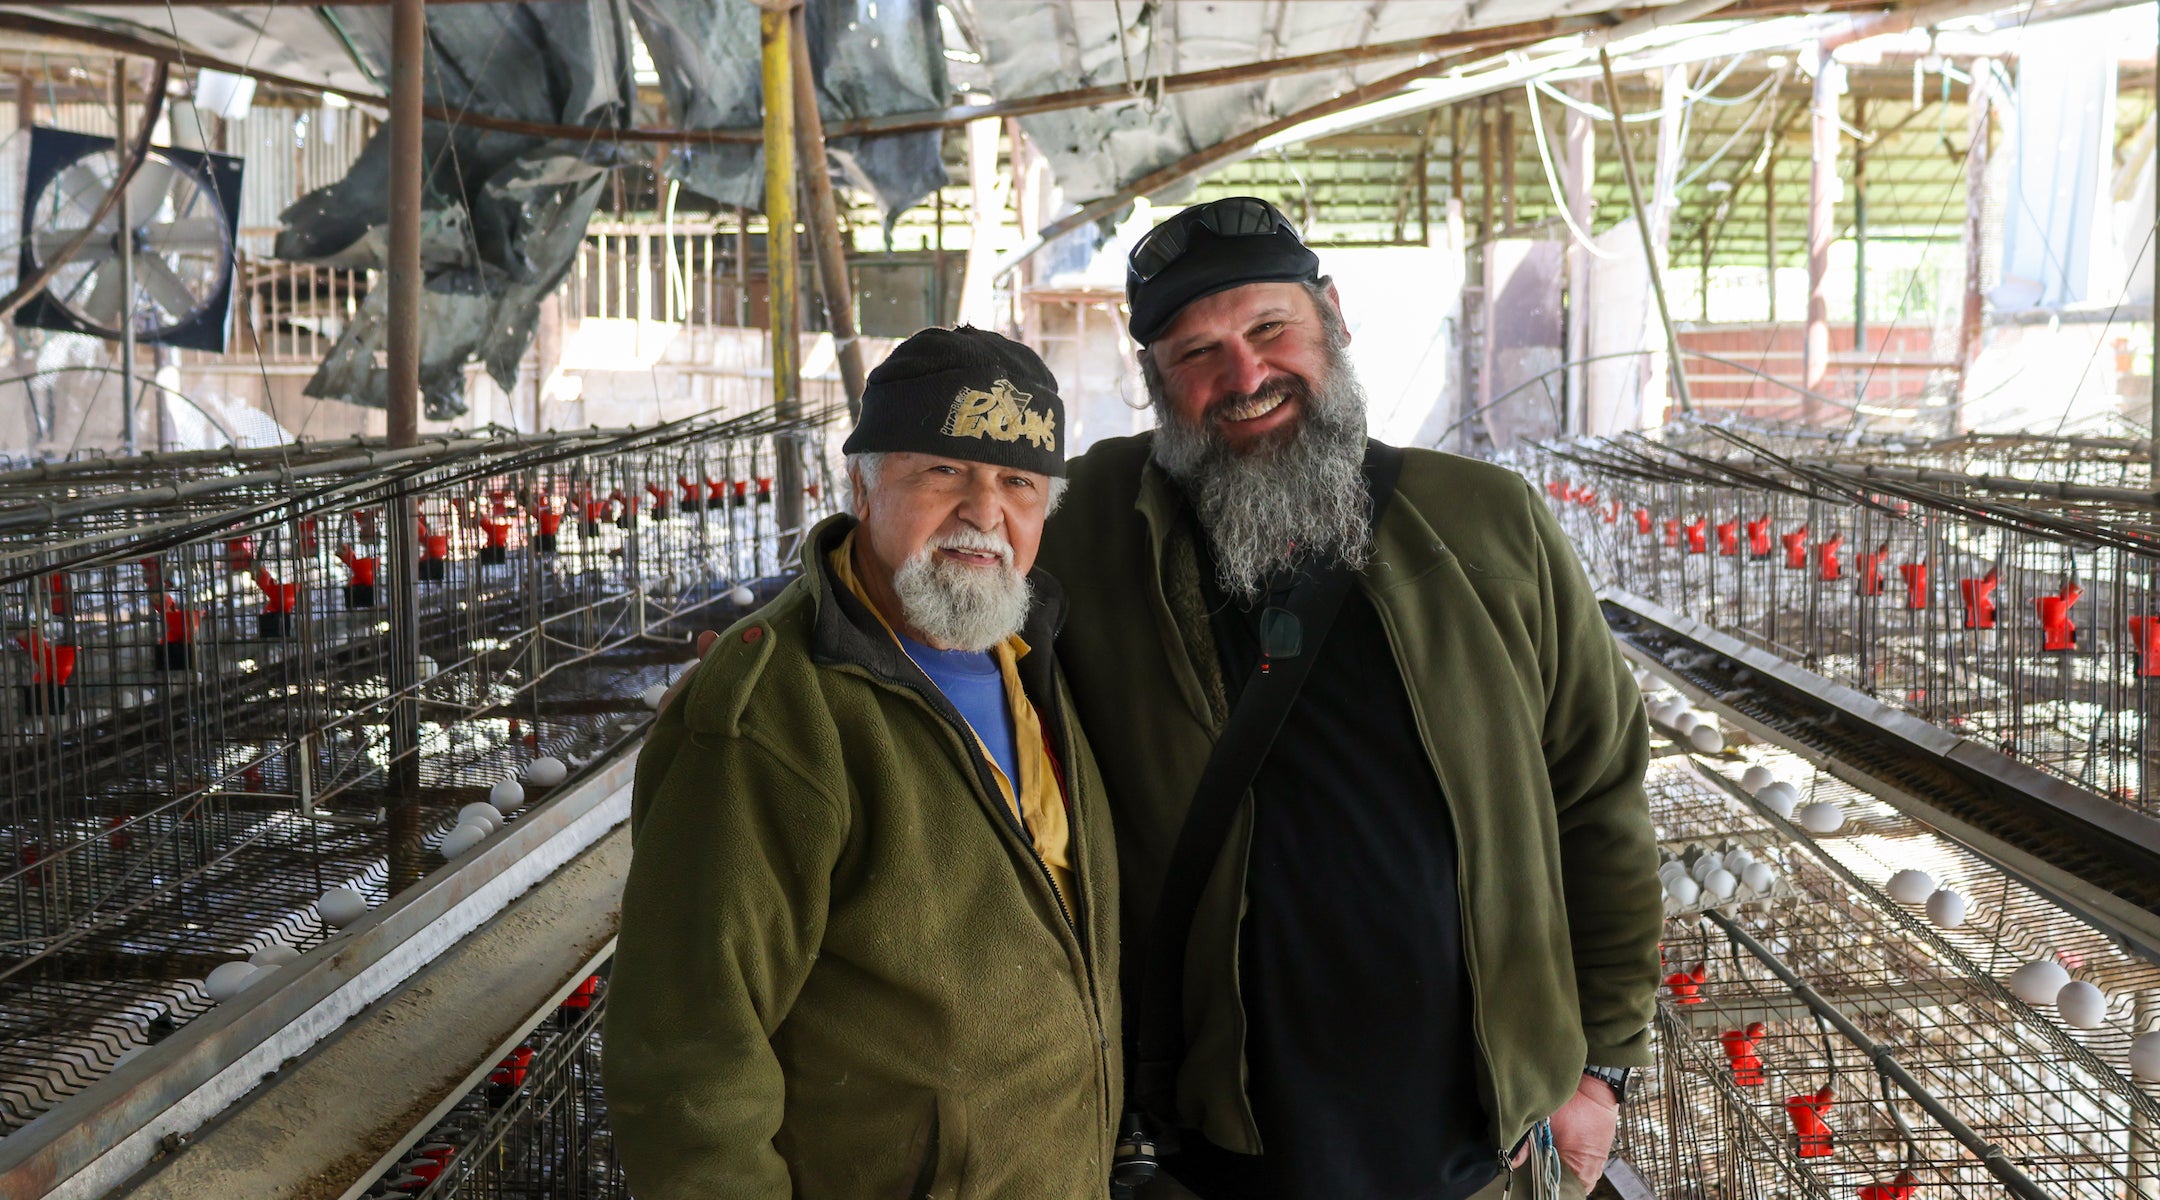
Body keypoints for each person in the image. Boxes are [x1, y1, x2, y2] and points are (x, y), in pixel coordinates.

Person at [1033, 196, 1661, 1200]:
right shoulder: (1089, 533)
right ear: (1154, 379)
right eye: (1198, 353)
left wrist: (1603, 1067)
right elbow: (931, 534)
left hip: (1473, 1144)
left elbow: (1599, 798)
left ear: (1332, 315)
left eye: (1269, 328)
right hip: (1220, 1149)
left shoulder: (1489, 527)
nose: (1246, 377)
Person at [605, 327, 1122, 1200]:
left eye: (1018, 483)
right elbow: (690, 1067)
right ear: (862, 485)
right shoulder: (773, 711)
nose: (985, 512)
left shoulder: (1034, 652)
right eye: (944, 471)